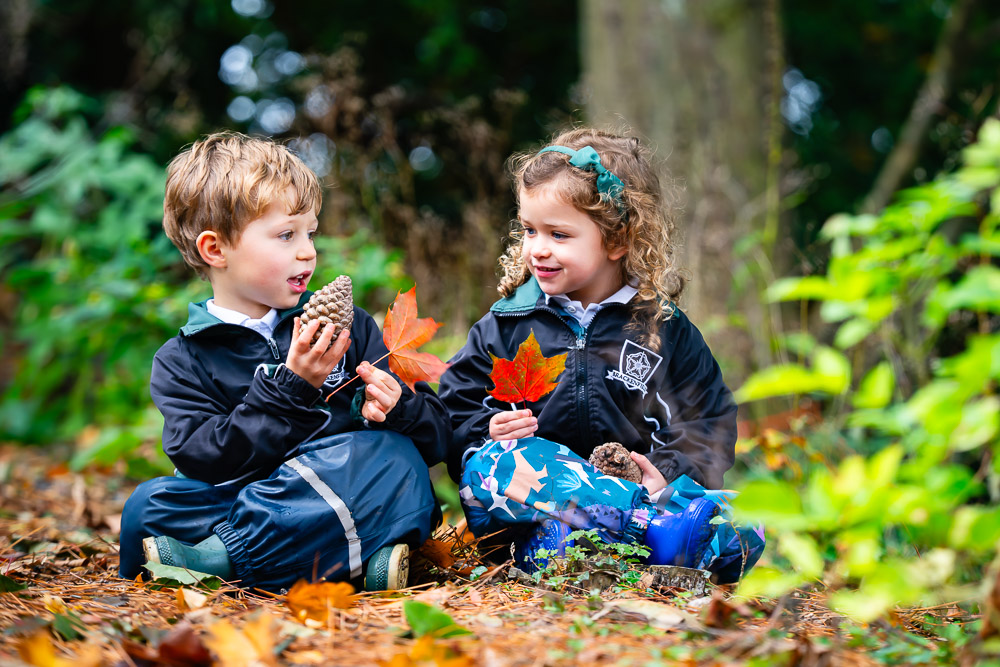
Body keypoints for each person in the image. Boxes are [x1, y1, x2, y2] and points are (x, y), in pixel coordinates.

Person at [118, 132, 450, 592]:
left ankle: (224, 560)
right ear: (216, 250)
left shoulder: (347, 326)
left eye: (310, 233)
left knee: (393, 457)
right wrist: (292, 387)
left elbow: (436, 439)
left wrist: (399, 409)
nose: (308, 251)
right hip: (248, 495)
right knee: (147, 506)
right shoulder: (182, 359)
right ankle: (349, 562)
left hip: (343, 481)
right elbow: (201, 459)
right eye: (286, 235)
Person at [437, 128, 764, 582]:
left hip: (647, 493)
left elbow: (708, 421)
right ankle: (646, 539)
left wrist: (665, 474)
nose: (538, 248)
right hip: (536, 511)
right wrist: (485, 428)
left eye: (559, 234)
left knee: (749, 518)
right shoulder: (505, 325)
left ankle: (620, 546)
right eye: (529, 230)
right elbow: (452, 410)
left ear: (617, 240)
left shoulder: (663, 331)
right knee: (493, 464)